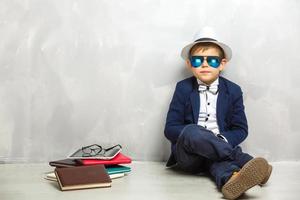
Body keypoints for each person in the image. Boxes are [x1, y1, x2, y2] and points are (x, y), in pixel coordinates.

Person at [164, 27, 272, 200]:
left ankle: (233, 179)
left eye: (212, 61)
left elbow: (240, 129)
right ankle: (242, 159)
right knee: (192, 130)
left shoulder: (234, 91)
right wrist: (199, 136)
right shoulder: (183, 88)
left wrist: (218, 140)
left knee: (216, 161)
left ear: (222, 63)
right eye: (198, 60)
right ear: (189, 64)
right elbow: (170, 129)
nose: (205, 64)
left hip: (217, 154)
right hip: (189, 156)